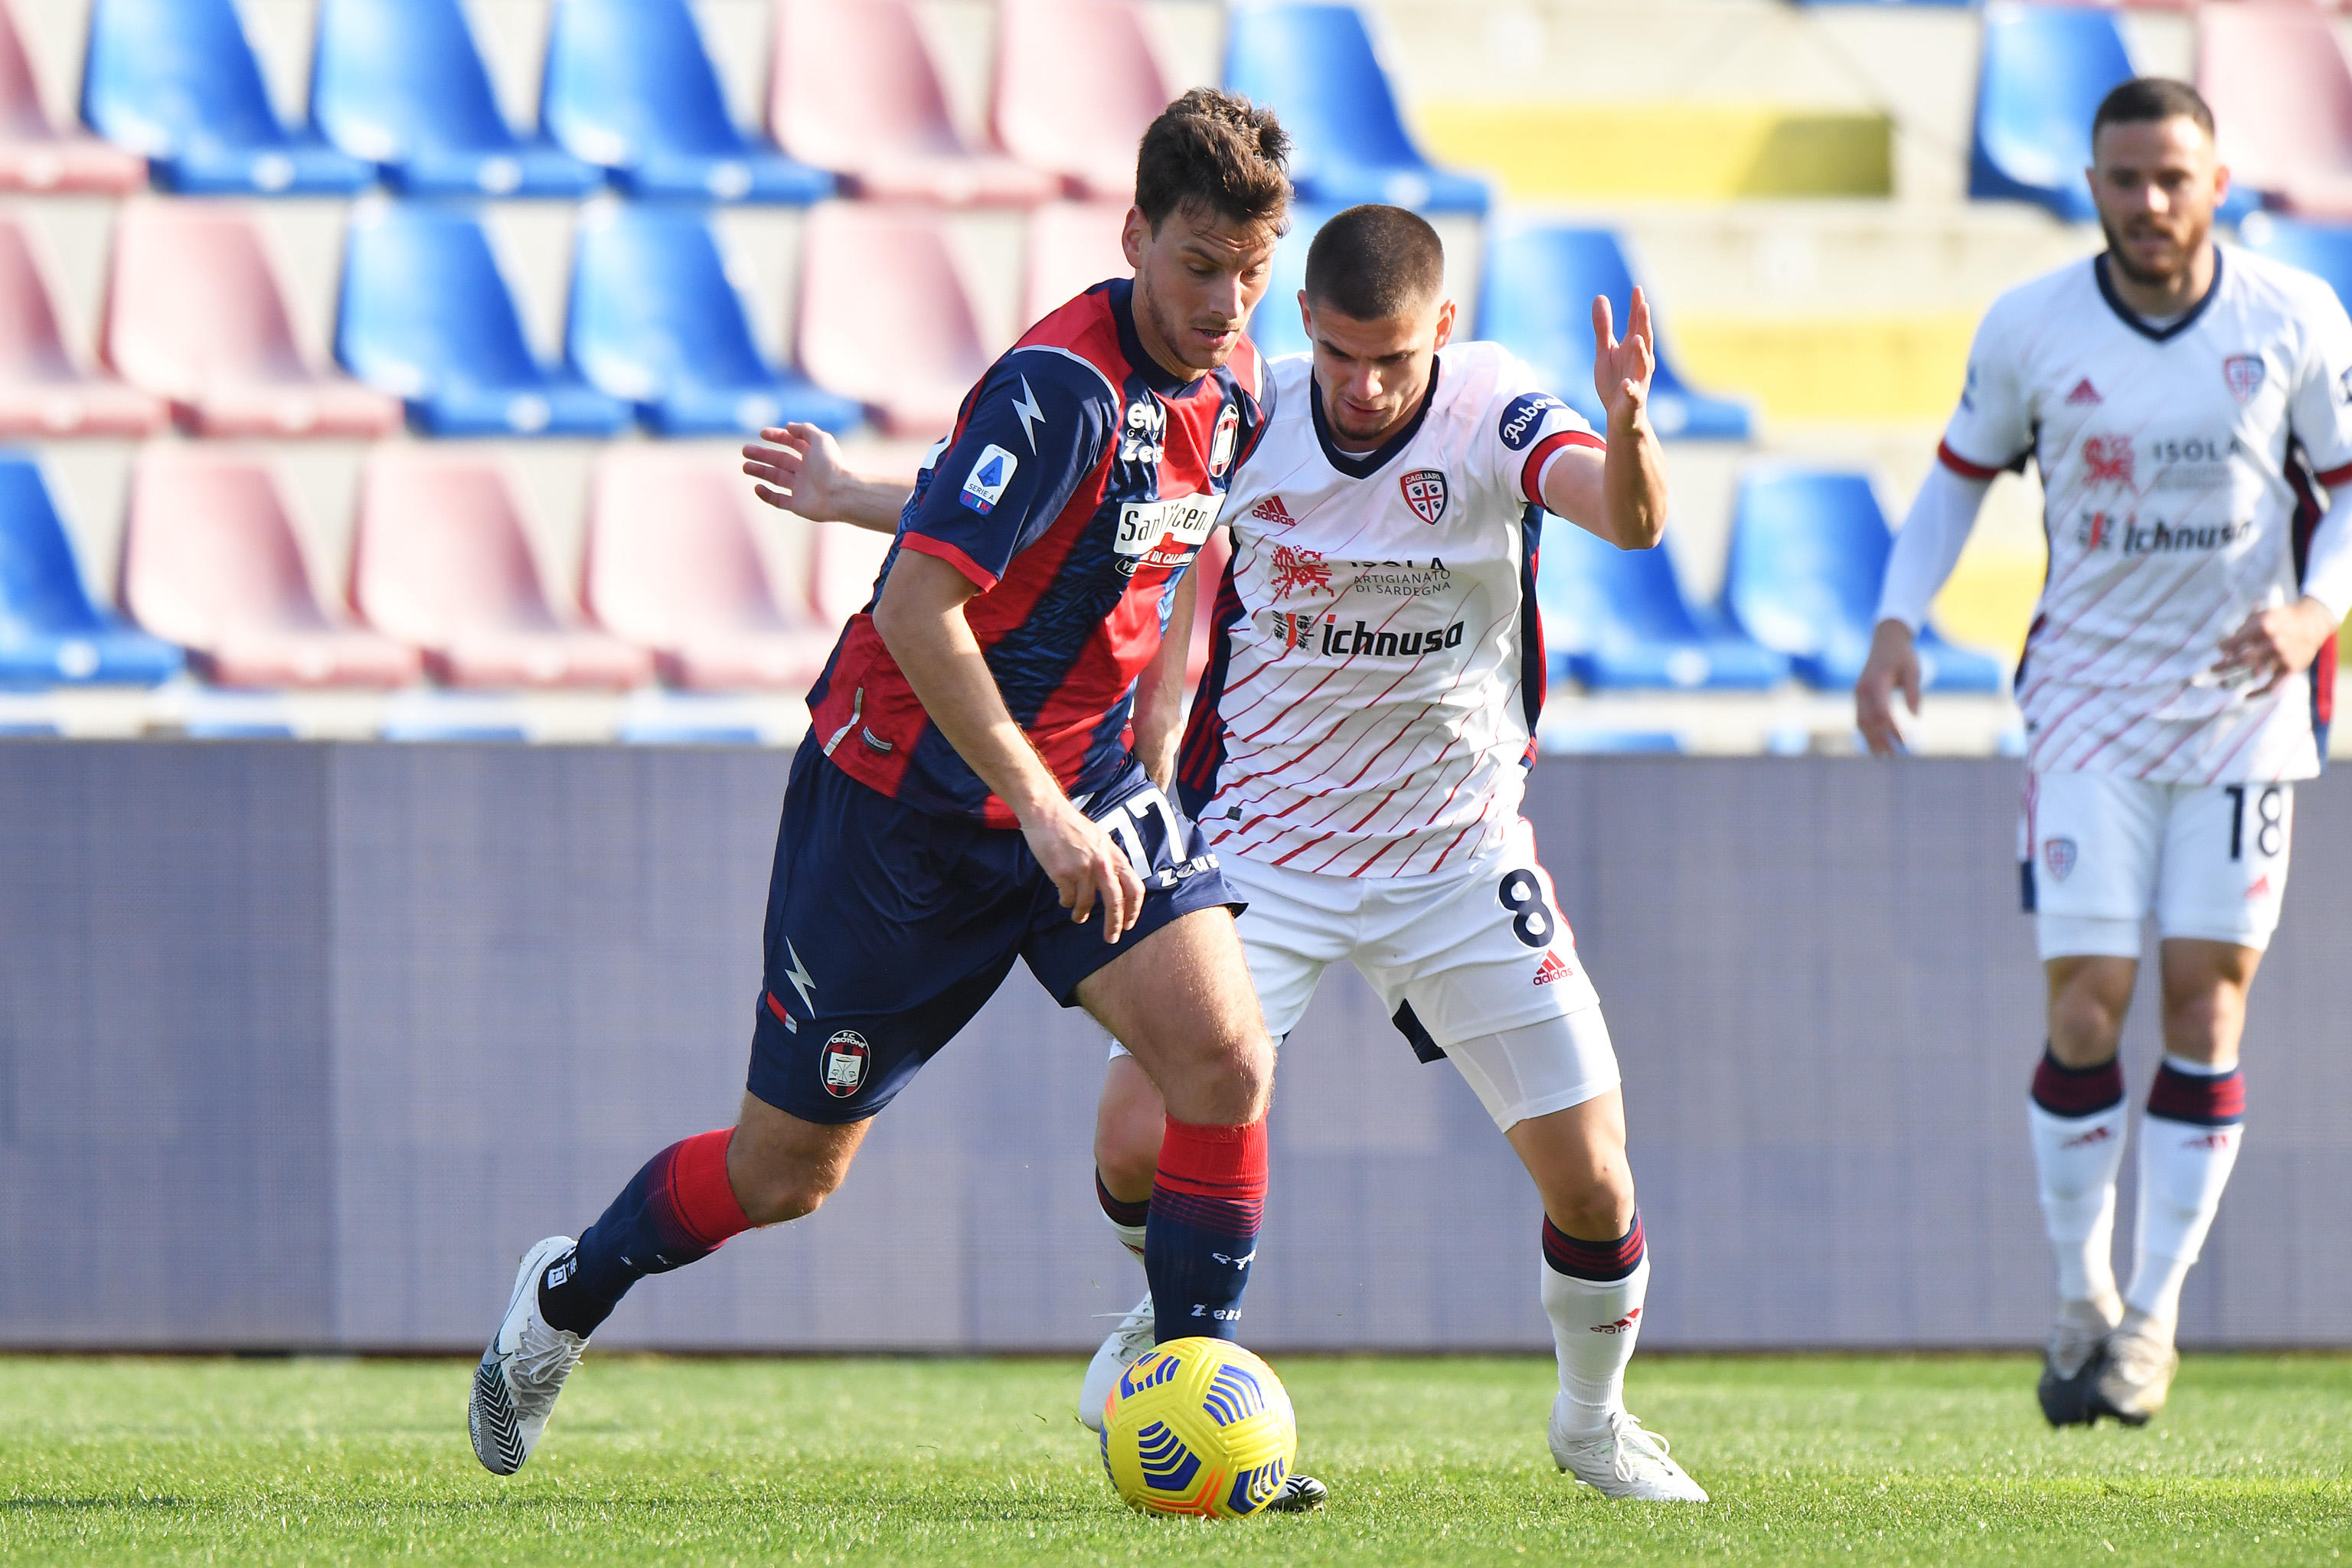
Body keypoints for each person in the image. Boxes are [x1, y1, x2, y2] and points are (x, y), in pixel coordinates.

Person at [756, 204, 1707, 1502]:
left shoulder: (1494, 406)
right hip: (1265, 842)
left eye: (1395, 359)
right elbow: (1050, 534)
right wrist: (848, 497)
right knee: (1136, 1135)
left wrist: (1637, 432)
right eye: (1341, 355)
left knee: (1594, 1181)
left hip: (1456, 854)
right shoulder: (1250, 411)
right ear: (1304, 324)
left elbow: (1628, 520)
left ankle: (1591, 1424)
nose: (1366, 389)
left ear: (1441, 330)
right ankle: (1159, 1330)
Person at [469, 88, 1294, 1484]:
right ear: (1135, 233)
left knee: (1225, 1060)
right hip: (905, 814)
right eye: (1201, 264)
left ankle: (1191, 1392)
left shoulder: (1236, 381)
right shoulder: (1060, 386)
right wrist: (1039, 807)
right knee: (783, 1177)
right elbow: (925, 609)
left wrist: (1141, 743)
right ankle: (565, 1296)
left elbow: (1115, 538)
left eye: (1251, 271)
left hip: (1080, 783)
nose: (1225, 301)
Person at [1857, 78, 2352, 1428]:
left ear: (2217, 181)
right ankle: (2078, 1298)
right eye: (2124, 180)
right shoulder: (2031, 327)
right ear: (2091, 184)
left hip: (2245, 706)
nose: (2149, 204)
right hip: (2082, 702)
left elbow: (2347, 491)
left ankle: (2151, 1319)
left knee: (2206, 1008)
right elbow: (1957, 480)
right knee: (2085, 1008)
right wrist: (1898, 623)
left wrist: (2319, 607)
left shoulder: (2294, 318)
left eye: (2172, 180)